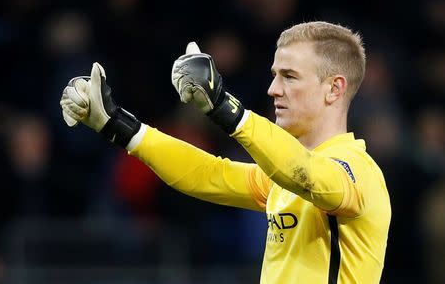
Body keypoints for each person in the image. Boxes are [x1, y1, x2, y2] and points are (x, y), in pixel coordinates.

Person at [60, 21, 391, 283]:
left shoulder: (358, 172)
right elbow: (210, 174)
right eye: (274, 75)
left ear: (334, 88)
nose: (273, 89)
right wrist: (117, 124)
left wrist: (225, 108)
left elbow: (307, 176)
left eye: (289, 77)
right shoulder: (279, 180)